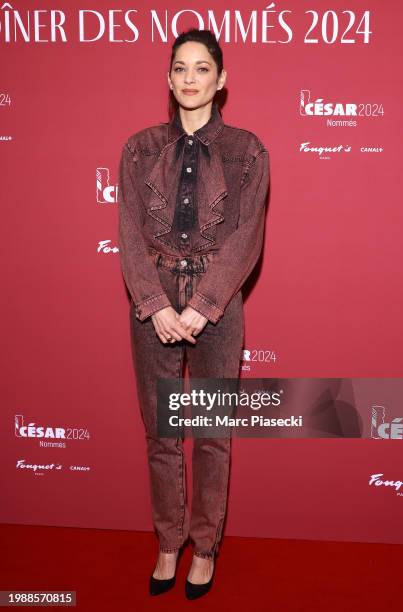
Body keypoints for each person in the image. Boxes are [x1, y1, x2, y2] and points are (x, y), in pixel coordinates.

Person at [118, 27, 270, 600]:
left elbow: (247, 237)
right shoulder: (137, 149)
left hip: (220, 306)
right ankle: (167, 541)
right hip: (150, 305)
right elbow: (130, 233)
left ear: (221, 80)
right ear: (168, 77)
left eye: (202, 68)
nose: (190, 78)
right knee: (162, 432)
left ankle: (203, 548)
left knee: (209, 435)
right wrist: (154, 303)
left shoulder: (248, 150)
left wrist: (204, 306)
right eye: (180, 68)